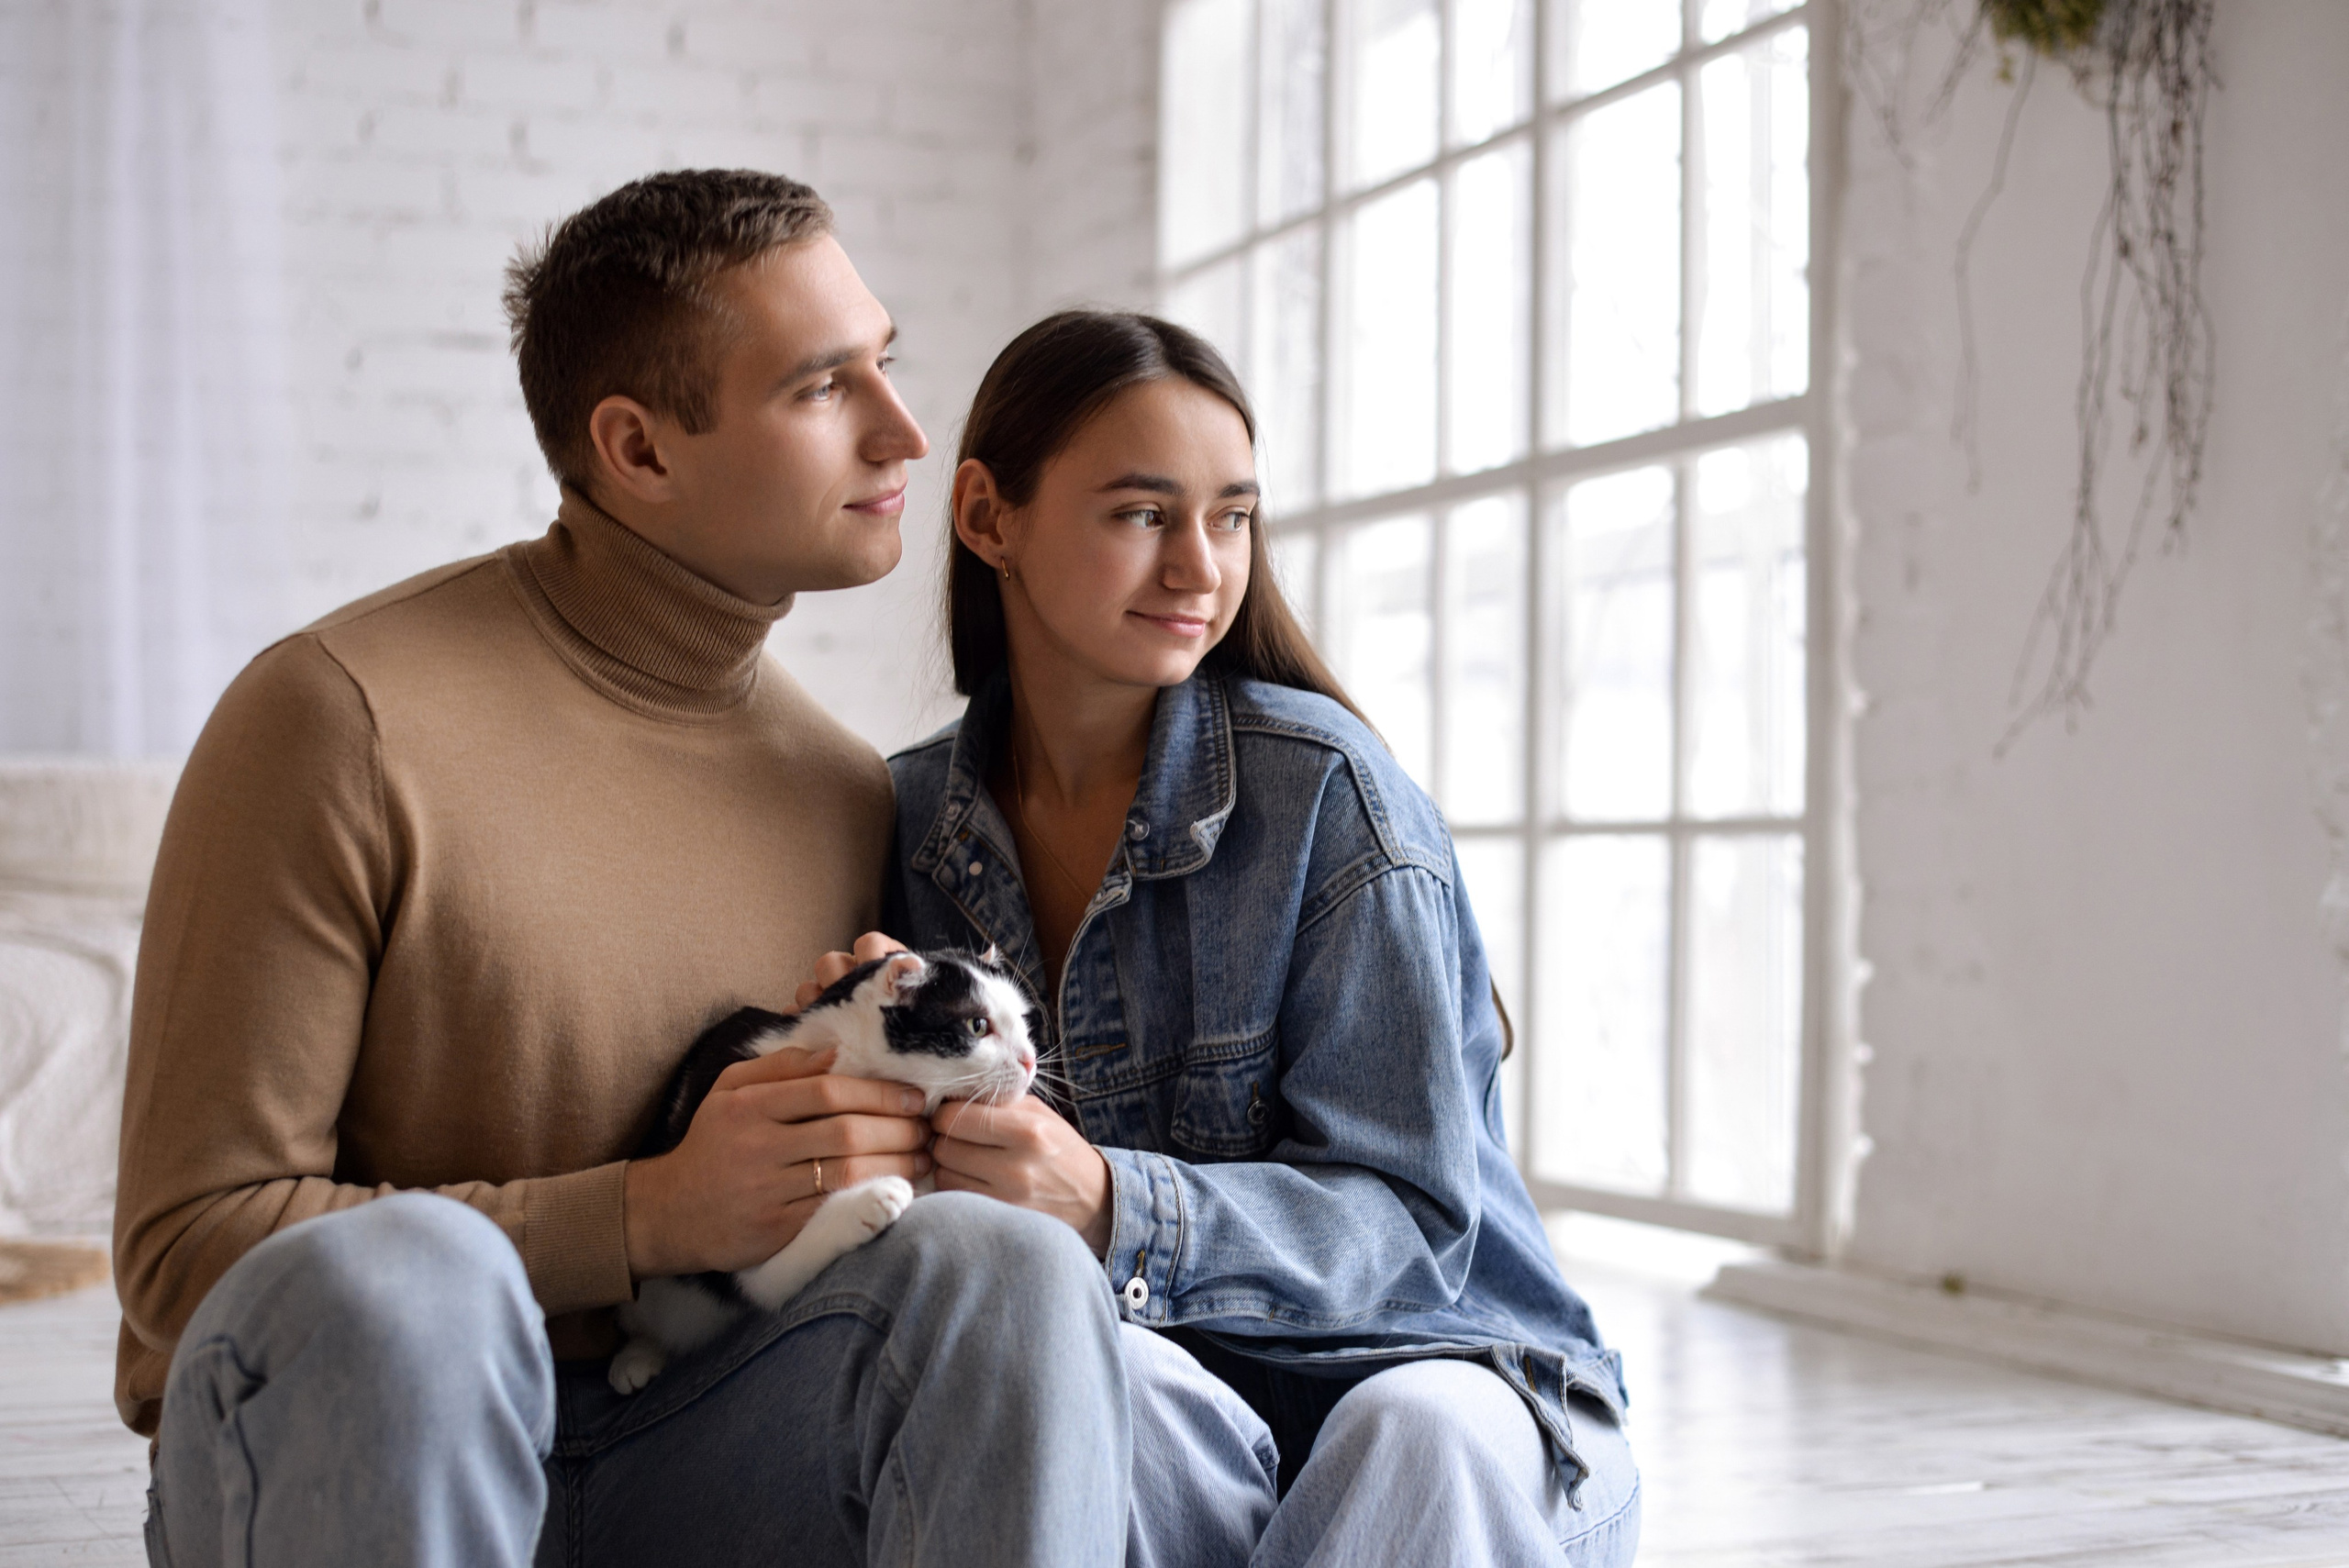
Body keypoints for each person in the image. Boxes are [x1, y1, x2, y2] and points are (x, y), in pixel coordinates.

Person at [113, 172, 1272, 1568]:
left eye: (884, 362)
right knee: (417, 1285)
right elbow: (184, 1256)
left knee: (1007, 1269)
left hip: (683, 1441)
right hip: (349, 1450)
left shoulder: (847, 790)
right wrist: (643, 1211)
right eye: (823, 386)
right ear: (639, 450)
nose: (904, 428)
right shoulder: (335, 717)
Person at [862, 309, 1642, 1565]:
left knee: (1408, 1437)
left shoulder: (1331, 793)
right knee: (1089, 1377)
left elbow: (1412, 1229)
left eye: (1231, 517)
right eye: (1141, 513)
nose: (1199, 568)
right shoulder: (903, 823)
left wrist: (1112, 1202)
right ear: (987, 516)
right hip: (1193, 1418)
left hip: (1456, 1379)